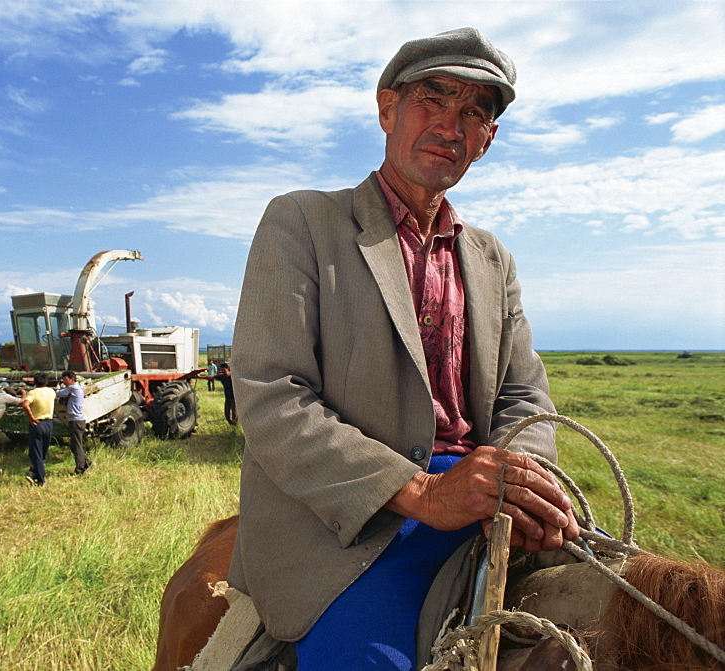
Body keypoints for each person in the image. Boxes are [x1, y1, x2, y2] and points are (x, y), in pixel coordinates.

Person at [228, 27, 580, 670]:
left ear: (488, 139)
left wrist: (518, 478)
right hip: (352, 521)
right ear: (387, 108)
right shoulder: (302, 221)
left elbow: (523, 395)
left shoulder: (492, 259)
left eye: (475, 112)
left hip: (477, 500)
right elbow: (270, 394)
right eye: (434, 98)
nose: (452, 124)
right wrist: (421, 493)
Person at [21, 372, 57, 486]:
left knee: (36, 451)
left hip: (37, 423)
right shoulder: (51, 391)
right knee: (43, 450)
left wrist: (30, 417)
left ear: (34, 382)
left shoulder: (32, 393)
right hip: (49, 423)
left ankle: (40, 479)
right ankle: (33, 472)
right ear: (47, 382)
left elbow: (25, 404)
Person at [56, 371, 91, 475]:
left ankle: (80, 469)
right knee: (74, 445)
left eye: (66, 380)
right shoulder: (77, 387)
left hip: (76, 420)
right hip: (77, 420)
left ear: (72, 379)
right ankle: (87, 462)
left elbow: (59, 393)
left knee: (77, 445)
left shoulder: (73, 388)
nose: (64, 382)